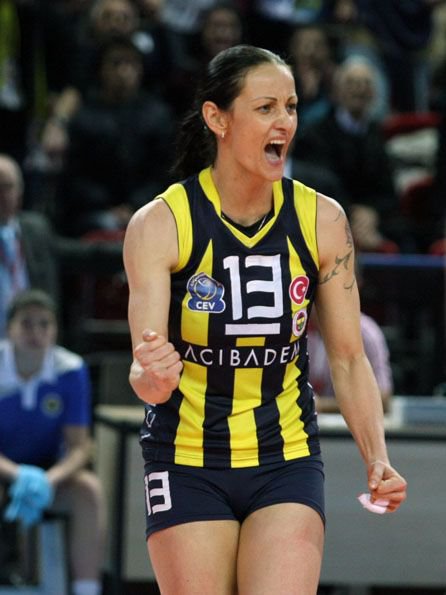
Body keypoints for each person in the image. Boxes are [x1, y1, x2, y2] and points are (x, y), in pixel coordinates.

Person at [123, 44, 407, 594]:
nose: (285, 122)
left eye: (292, 107)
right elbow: (146, 373)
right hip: (186, 457)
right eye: (266, 108)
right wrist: (152, 375)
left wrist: (377, 458)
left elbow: (349, 358)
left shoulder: (322, 219)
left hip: (286, 457)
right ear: (217, 119)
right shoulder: (161, 223)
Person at [0, 289, 105, 595]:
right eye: (26, 323)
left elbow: (79, 446)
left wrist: (47, 480)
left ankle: (87, 589)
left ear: (55, 330)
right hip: (4, 471)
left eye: (44, 324)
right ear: (9, 329)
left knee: (88, 491)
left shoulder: (70, 370)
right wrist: (18, 475)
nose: (36, 332)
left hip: (49, 476)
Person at [55, 36, 175, 237]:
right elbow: (75, 178)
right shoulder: (84, 117)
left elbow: (165, 172)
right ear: (102, 69)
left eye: (131, 63)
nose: (123, 71)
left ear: (141, 69)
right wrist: (109, 207)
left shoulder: (158, 116)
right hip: (95, 212)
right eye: (116, 63)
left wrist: (135, 205)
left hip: (149, 207)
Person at [0, 153, 124, 339]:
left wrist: (133, 252)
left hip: (38, 343)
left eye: (7, 186)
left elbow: (83, 256)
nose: (2, 195)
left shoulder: (35, 231)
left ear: (20, 191)